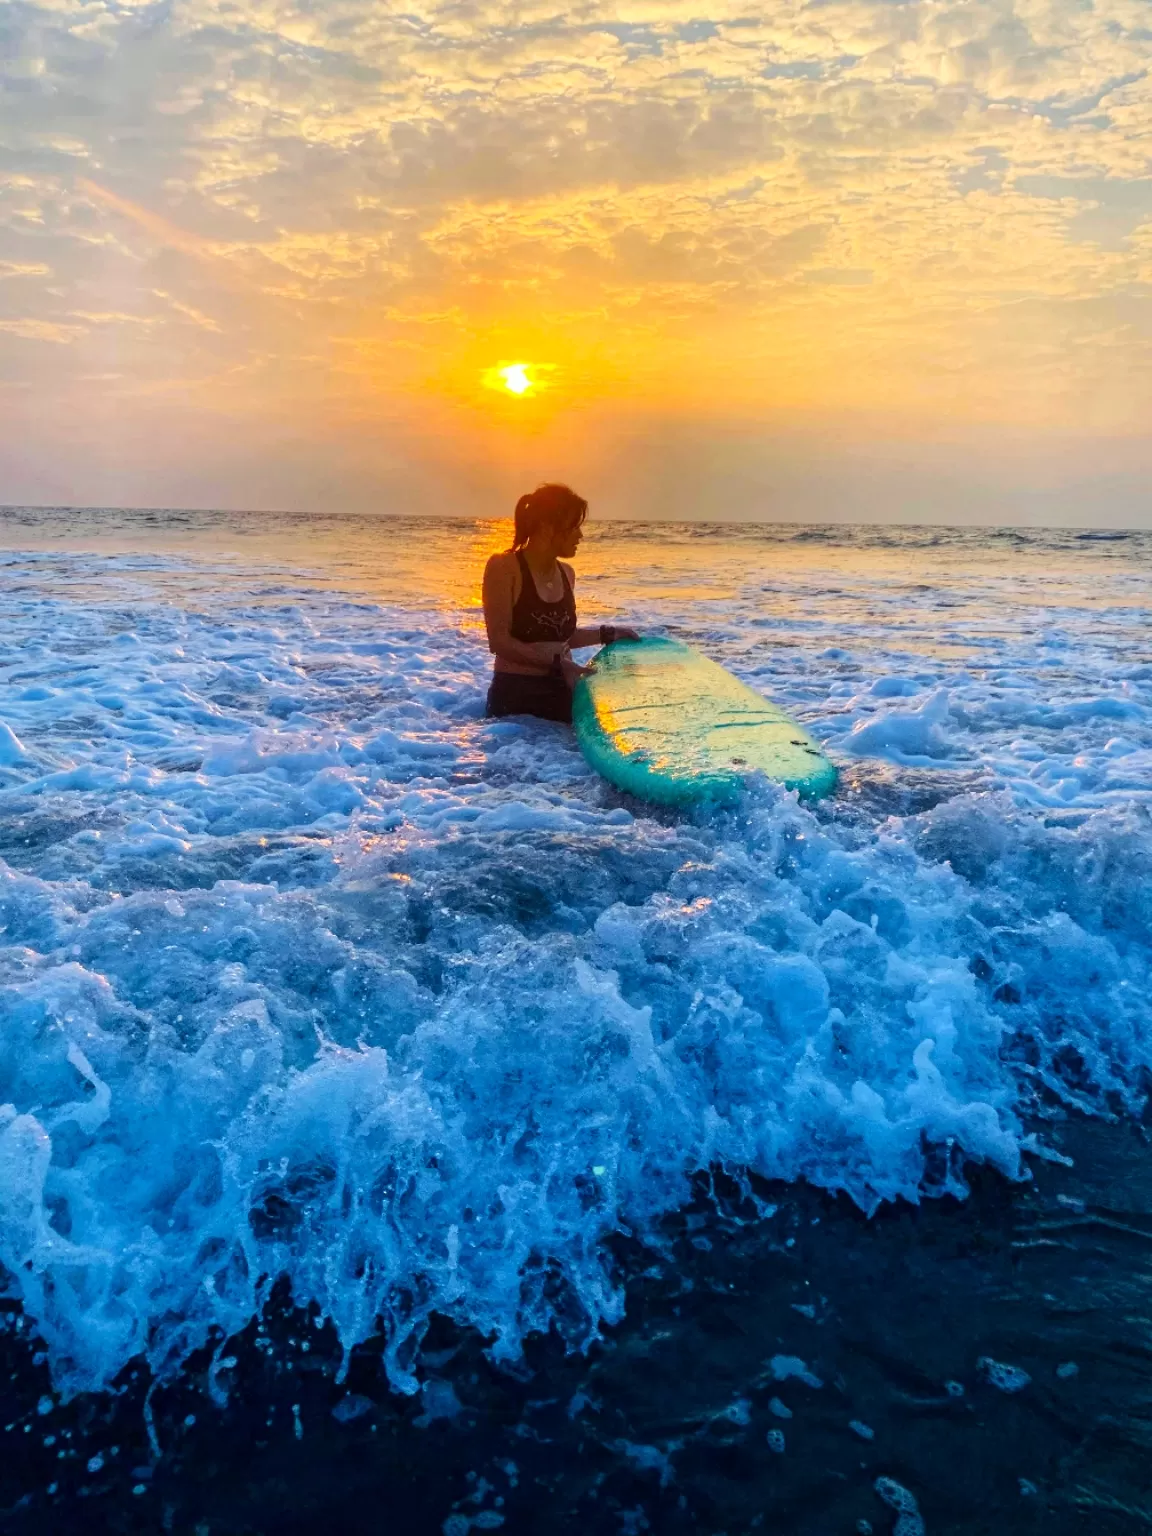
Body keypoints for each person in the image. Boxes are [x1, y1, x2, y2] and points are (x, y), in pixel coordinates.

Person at [482, 483, 640, 722]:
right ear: (547, 527)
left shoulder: (566, 573)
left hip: (563, 692)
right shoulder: (504, 568)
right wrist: (557, 663)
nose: (580, 535)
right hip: (516, 702)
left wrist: (607, 634)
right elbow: (500, 641)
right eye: (574, 527)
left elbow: (560, 637)